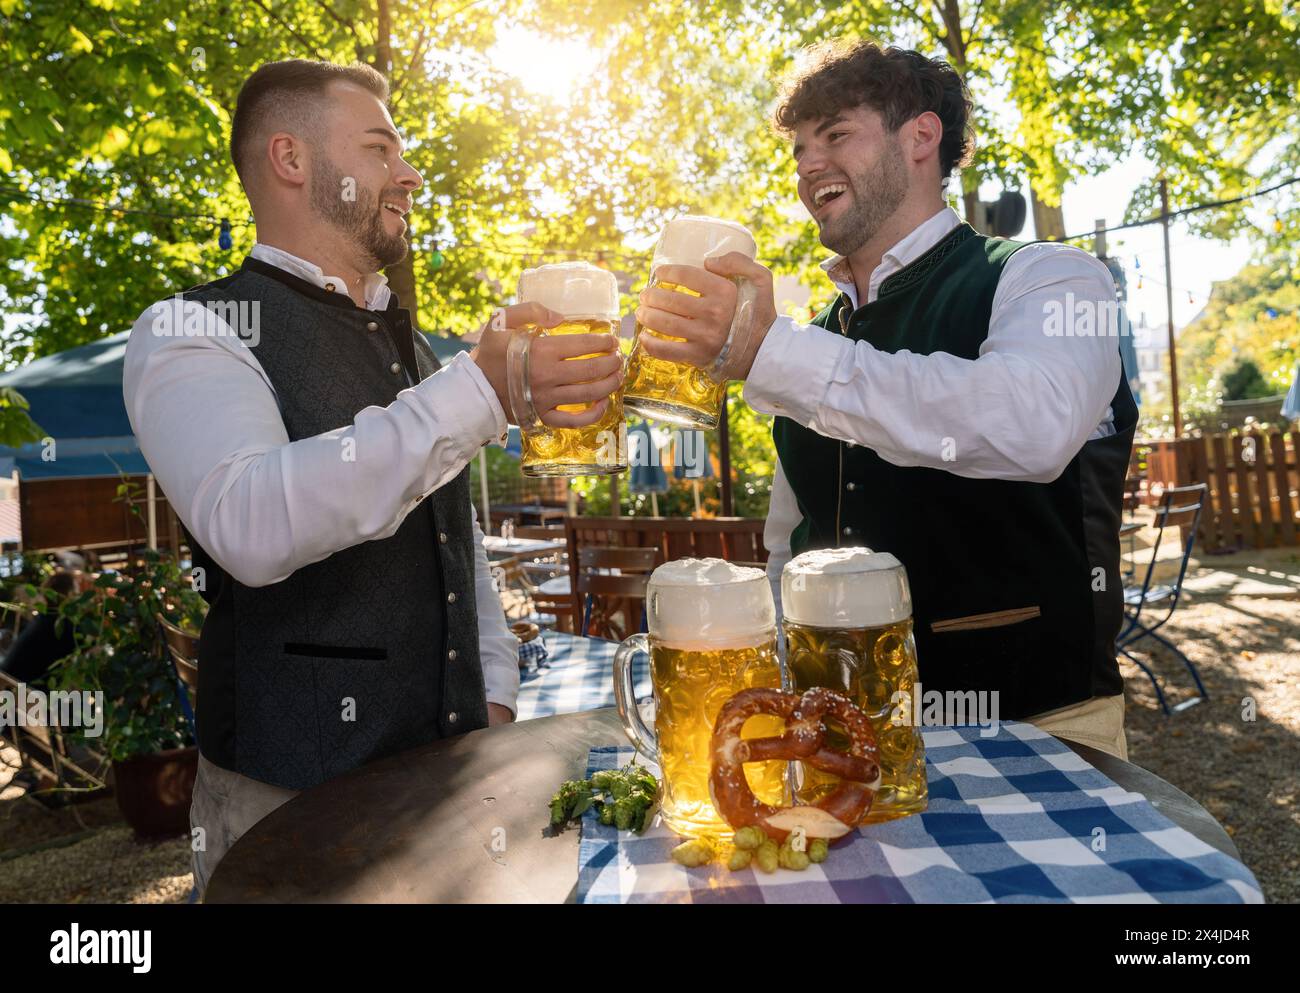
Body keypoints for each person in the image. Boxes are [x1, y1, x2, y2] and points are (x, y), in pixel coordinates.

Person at [123, 59, 623, 894]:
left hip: (452, 780)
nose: (410, 172)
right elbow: (251, 524)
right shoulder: (191, 328)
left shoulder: (417, 349)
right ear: (291, 159)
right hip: (286, 808)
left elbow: (454, 542)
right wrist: (480, 389)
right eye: (381, 147)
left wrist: (492, 693)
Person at [633, 40, 1136, 759]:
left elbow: (1034, 424)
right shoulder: (806, 342)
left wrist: (770, 353)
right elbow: (791, 538)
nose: (808, 166)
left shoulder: (1050, 277)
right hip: (837, 744)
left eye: (836, 134)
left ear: (921, 137)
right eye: (800, 148)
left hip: (1034, 731)